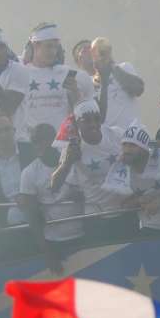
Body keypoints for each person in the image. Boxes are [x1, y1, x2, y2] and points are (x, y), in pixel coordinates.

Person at [52, 100, 136, 241]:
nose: (93, 124)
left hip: (126, 212)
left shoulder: (117, 135)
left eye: (96, 119)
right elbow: (54, 186)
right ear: (77, 123)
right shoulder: (72, 147)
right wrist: (67, 163)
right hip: (96, 219)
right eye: (86, 120)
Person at [16, 123, 82, 274]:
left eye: (43, 139)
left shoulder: (75, 162)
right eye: (35, 141)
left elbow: (90, 193)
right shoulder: (29, 173)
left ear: (55, 140)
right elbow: (32, 217)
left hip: (82, 236)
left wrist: (80, 196)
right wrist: (48, 253)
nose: (38, 144)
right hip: (54, 242)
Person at [17, 22, 94, 144]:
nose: (53, 51)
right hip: (30, 144)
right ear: (35, 45)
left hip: (61, 143)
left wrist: (75, 92)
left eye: (55, 47)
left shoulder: (75, 75)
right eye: (48, 46)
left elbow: (89, 112)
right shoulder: (20, 72)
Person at [88, 37, 144, 130]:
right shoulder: (90, 82)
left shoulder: (125, 67)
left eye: (104, 51)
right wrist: (102, 79)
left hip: (130, 133)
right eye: (97, 52)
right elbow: (99, 115)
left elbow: (138, 90)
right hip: (108, 137)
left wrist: (112, 67)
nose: (101, 55)